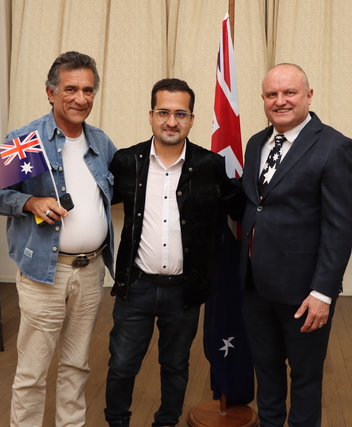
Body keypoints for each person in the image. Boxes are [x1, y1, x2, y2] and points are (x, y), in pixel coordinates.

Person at [0, 51, 117, 427]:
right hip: (44, 273)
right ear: (51, 93)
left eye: (88, 90)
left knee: (77, 365)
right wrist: (29, 201)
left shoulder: (101, 142)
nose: (81, 98)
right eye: (70, 89)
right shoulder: (28, 139)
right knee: (32, 372)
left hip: (92, 272)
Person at [104, 78, 244, 427]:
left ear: (192, 119)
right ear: (151, 115)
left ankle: (166, 422)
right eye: (163, 112)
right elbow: (92, 197)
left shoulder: (210, 165)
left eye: (180, 114)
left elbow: (243, 207)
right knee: (121, 364)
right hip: (135, 286)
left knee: (176, 365)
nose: (171, 121)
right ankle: (117, 421)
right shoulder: (126, 161)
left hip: (185, 290)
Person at [240, 63, 352, 426]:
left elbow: (341, 228)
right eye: (271, 94)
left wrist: (323, 293)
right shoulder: (256, 143)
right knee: (267, 375)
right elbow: (257, 205)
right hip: (255, 287)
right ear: (263, 99)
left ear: (308, 96)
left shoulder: (335, 147)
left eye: (289, 93)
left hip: (304, 294)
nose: (280, 101)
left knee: (306, 379)